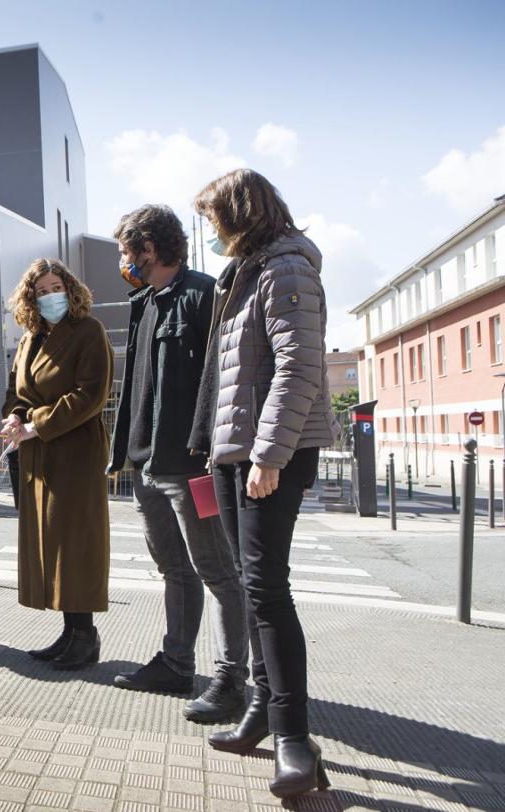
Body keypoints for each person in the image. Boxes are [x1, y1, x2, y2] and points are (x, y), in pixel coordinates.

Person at [189, 169, 335, 798]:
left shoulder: (285, 268)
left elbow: (299, 365)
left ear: (239, 212)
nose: (211, 230)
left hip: (270, 452)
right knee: (251, 588)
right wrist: (215, 448)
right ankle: (257, 712)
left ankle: (295, 740)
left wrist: (269, 455)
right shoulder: (243, 273)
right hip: (234, 451)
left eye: (214, 217)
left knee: (268, 589)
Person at [107, 205, 250, 723]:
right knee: (174, 569)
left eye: (127, 250)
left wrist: (215, 455)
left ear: (149, 247)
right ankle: (176, 665)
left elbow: (224, 382)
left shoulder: (204, 295)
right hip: (146, 466)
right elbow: (136, 391)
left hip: (192, 467)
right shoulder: (143, 302)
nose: (124, 260)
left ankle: (232, 681)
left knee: (218, 572)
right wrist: (123, 453)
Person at [1, 258, 113, 670]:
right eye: (42, 291)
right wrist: (15, 415)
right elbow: (17, 389)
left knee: (75, 543)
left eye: (55, 287)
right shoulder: (32, 338)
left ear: (71, 288)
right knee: (51, 542)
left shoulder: (89, 331)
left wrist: (36, 425)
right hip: (39, 452)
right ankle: (70, 632)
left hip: (75, 450)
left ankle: (85, 635)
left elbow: (90, 395)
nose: (50, 296)